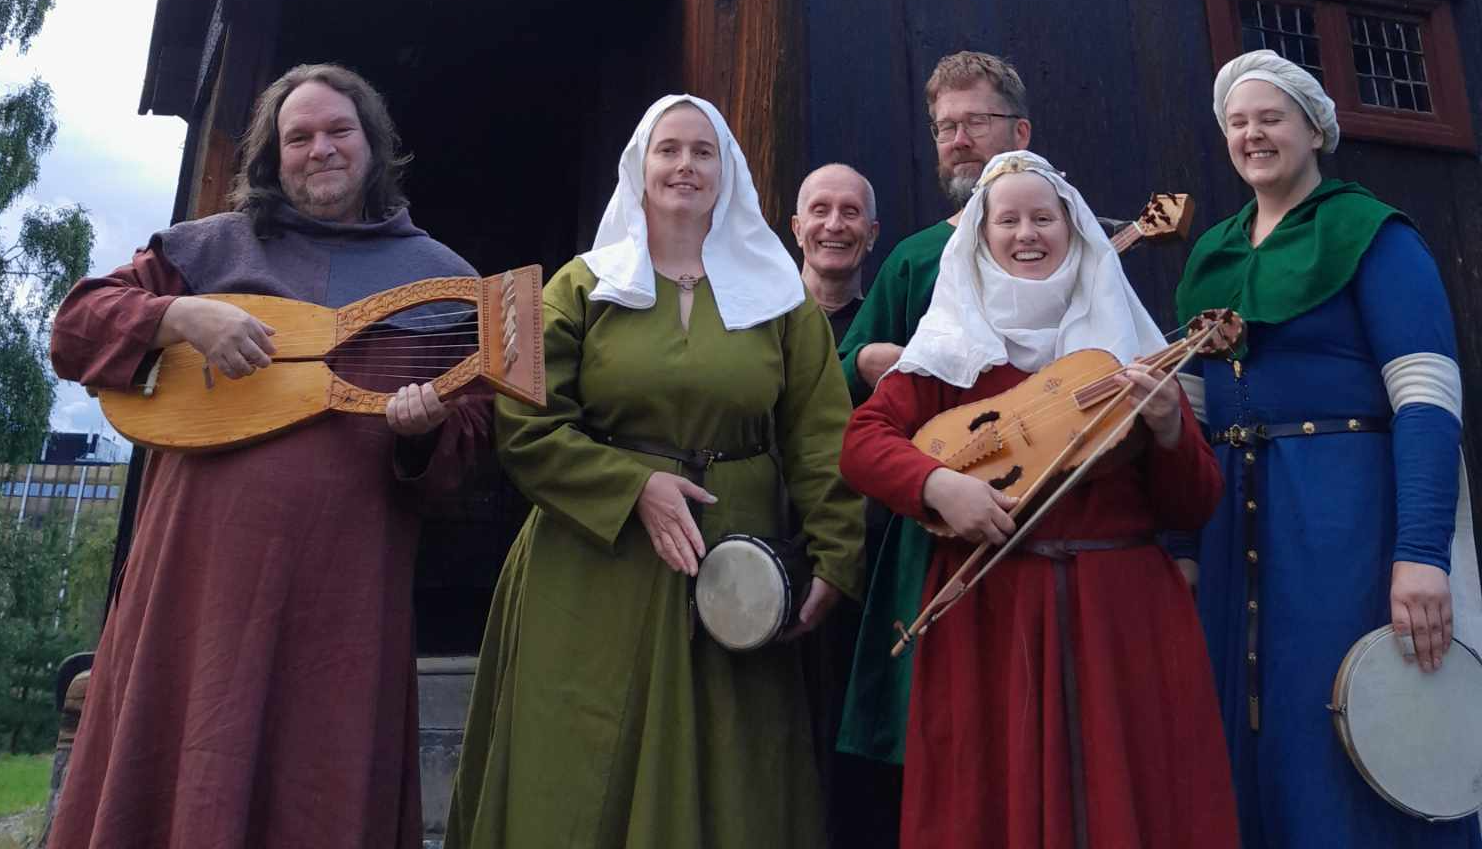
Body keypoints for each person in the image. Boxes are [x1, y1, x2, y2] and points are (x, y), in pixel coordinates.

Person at [46, 64, 490, 848]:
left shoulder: (442, 283)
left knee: (317, 784)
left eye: (339, 130)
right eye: (299, 136)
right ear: (273, 156)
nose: (321, 149)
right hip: (195, 586)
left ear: (373, 144)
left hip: (343, 597)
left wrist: (425, 434)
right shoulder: (208, 249)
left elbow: (473, 442)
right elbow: (75, 328)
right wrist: (179, 315)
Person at [444, 94, 865, 848]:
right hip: (592, 565)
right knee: (579, 766)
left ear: (728, 172)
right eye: (668, 149)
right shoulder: (577, 287)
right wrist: (632, 486)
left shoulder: (780, 300)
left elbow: (820, 433)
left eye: (704, 152)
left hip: (735, 568)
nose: (685, 165)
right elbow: (524, 423)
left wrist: (837, 553)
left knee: (729, 771)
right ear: (639, 167)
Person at [841, 150, 1239, 849]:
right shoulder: (952, 347)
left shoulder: (1128, 347)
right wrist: (938, 485)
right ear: (982, 237)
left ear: (1074, 229)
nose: (1027, 234)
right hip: (992, 618)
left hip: (1120, 619)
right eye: (1008, 221)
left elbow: (1195, 504)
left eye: (1044, 218)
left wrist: (1171, 430)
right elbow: (863, 443)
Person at [1177, 49, 1482, 848]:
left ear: (1314, 130)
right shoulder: (1212, 254)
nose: (1252, 134)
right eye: (1237, 122)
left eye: (1270, 118)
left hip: (1343, 523)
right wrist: (1182, 548)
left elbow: (1427, 399)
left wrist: (1421, 553)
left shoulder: (1372, 235)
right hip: (1234, 525)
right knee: (1250, 729)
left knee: (1347, 723)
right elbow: (1190, 425)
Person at [833, 50, 1030, 800]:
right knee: (939, 734)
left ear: (1020, 130)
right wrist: (886, 358)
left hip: (1041, 508)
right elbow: (847, 368)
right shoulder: (916, 258)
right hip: (933, 520)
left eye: (975, 121)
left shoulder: (1061, 240)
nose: (958, 140)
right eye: (945, 127)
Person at [792, 162, 879, 341]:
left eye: (850, 213)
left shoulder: (885, 330)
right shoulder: (768, 322)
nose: (834, 225)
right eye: (820, 211)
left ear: (871, 234)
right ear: (798, 229)